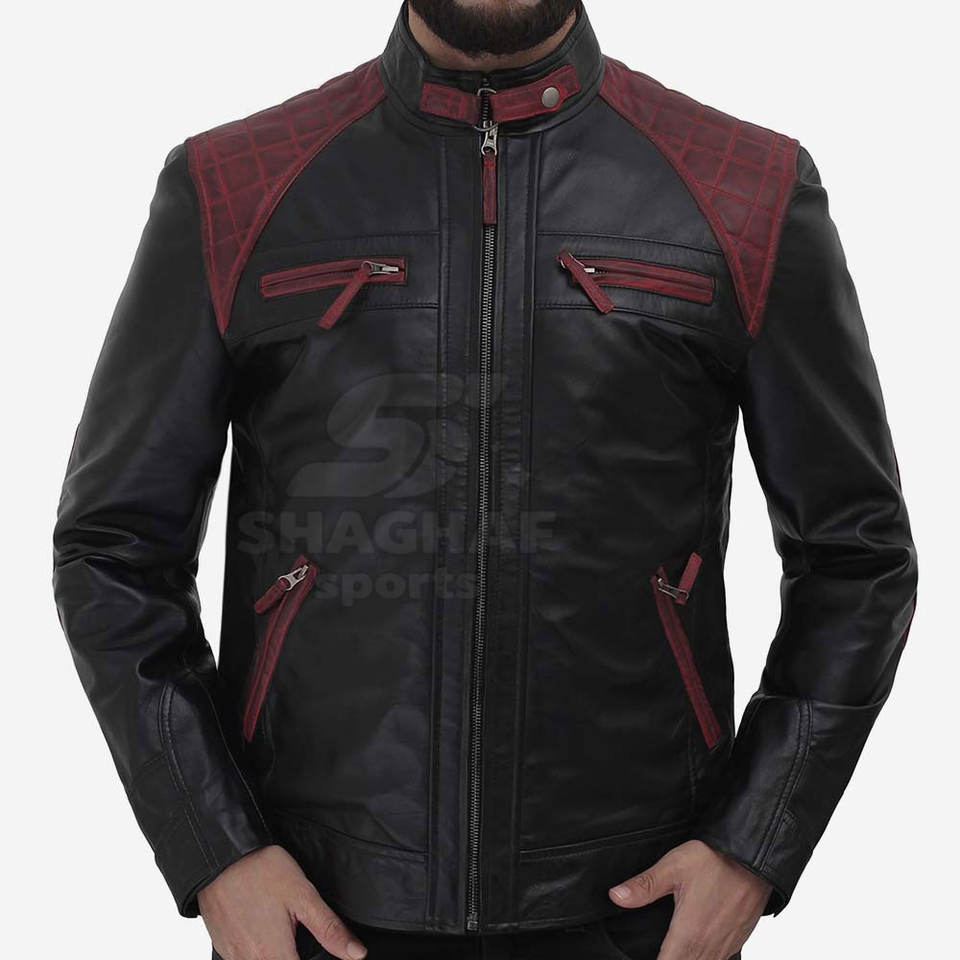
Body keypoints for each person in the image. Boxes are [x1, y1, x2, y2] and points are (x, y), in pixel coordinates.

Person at [53, 2, 918, 958]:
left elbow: (857, 556)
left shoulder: (746, 186)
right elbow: (112, 549)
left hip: (637, 911)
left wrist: (752, 844)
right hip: (314, 913)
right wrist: (215, 850)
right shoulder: (233, 186)